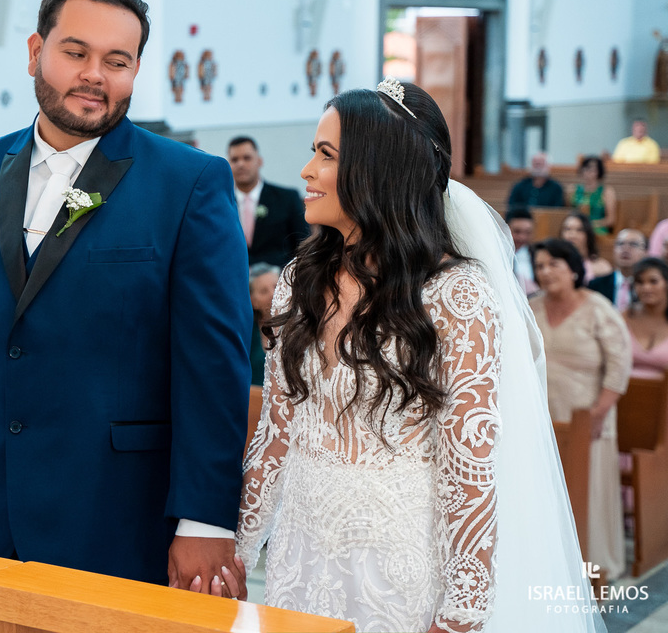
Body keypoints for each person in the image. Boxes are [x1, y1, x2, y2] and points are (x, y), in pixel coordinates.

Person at [0, 0, 251, 597]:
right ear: (36, 52)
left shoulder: (187, 183)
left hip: (119, 517)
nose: (95, 75)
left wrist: (205, 518)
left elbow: (214, 366)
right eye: (76, 52)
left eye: (118, 61)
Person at [237, 79, 599, 632]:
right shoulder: (298, 281)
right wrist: (237, 549)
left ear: (380, 169)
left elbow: (470, 465)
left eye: (326, 154)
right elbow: (276, 434)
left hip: (401, 566)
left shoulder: (457, 294)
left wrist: (463, 610)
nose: (306, 170)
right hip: (301, 556)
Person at [530, 238, 632, 581]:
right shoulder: (533, 308)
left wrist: (599, 413)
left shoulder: (598, 308)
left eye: (553, 264)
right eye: (540, 266)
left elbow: (619, 365)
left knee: (590, 492)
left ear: (574, 269)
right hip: (544, 419)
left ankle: (595, 562)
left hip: (590, 416)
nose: (545, 272)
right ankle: (553, 562)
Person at [227, 136, 309, 268]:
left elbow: (304, 245)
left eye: (247, 158)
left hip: (279, 281)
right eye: (234, 160)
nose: (240, 164)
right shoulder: (221, 204)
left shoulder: (287, 198)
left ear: (259, 161)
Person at [625, 257, 668, 375]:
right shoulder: (623, 318)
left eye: (653, 281)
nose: (646, 288)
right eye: (639, 282)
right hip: (625, 391)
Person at [588, 228, 649, 310]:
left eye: (633, 244)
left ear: (645, 252)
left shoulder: (650, 287)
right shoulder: (596, 286)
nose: (625, 248)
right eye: (620, 244)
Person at [248, 262, 280, 387]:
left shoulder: (300, 328)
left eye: (276, 286)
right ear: (253, 301)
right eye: (263, 291)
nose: (272, 294)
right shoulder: (247, 335)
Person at [560, 210, 613, 283]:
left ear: (588, 235)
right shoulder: (554, 265)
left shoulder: (601, 267)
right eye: (567, 229)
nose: (572, 235)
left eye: (579, 230)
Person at [569, 156, 616, 234]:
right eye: (586, 169)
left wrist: (590, 225)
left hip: (597, 229)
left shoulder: (607, 192)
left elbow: (611, 220)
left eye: (592, 170)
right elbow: (568, 212)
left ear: (599, 172)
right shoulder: (572, 190)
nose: (588, 173)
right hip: (576, 228)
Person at [505, 207, 538, 295]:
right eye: (517, 232)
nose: (522, 237)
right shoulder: (497, 255)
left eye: (527, 232)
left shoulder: (537, 254)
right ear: (506, 229)